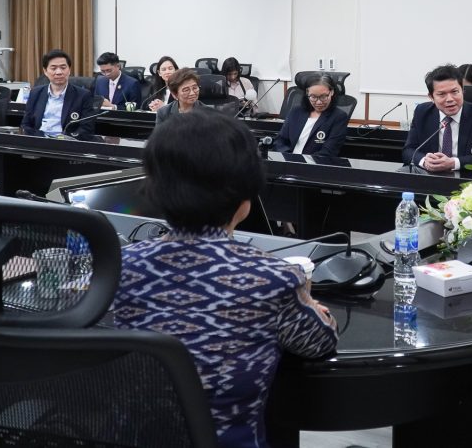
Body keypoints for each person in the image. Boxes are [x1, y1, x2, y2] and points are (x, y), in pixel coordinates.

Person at [113, 108, 337, 447]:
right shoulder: (272, 277)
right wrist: (310, 305)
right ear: (245, 198)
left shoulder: (120, 266)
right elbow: (320, 342)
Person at [401, 64, 472, 172]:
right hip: (430, 176)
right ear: (431, 97)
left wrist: (454, 163)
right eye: (441, 94)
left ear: (462, 91)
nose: (450, 99)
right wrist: (424, 161)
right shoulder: (422, 112)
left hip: (467, 177)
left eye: (455, 92)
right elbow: (408, 151)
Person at [20, 49, 94, 137]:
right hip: (39, 139)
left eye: (63, 68)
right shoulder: (35, 93)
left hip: (66, 142)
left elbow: (86, 128)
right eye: (53, 68)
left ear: (69, 70)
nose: (59, 72)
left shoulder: (83, 95)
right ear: (45, 71)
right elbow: (26, 124)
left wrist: (64, 139)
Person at [273, 74, 348, 156]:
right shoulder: (296, 111)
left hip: (315, 163)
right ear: (307, 93)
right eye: (313, 97)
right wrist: (289, 158)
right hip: (288, 160)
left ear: (332, 92)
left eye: (323, 96)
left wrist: (303, 162)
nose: (318, 102)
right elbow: (280, 141)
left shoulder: (339, 117)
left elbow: (328, 152)